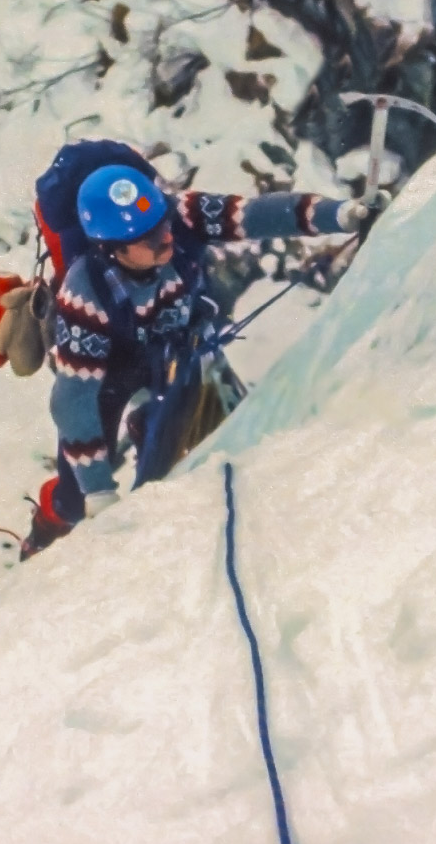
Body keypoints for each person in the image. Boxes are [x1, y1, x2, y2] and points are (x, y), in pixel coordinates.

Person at [21, 163, 380, 557]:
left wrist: (337, 214)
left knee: (201, 429)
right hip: (110, 371)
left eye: (162, 224)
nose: (166, 238)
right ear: (112, 248)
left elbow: (254, 215)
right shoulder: (85, 292)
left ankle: (150, 428)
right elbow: (73, 402)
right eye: (150, 238)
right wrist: (99, 491)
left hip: (175, 348)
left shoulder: (182, 216)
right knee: (75, 499)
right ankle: (49, 523)